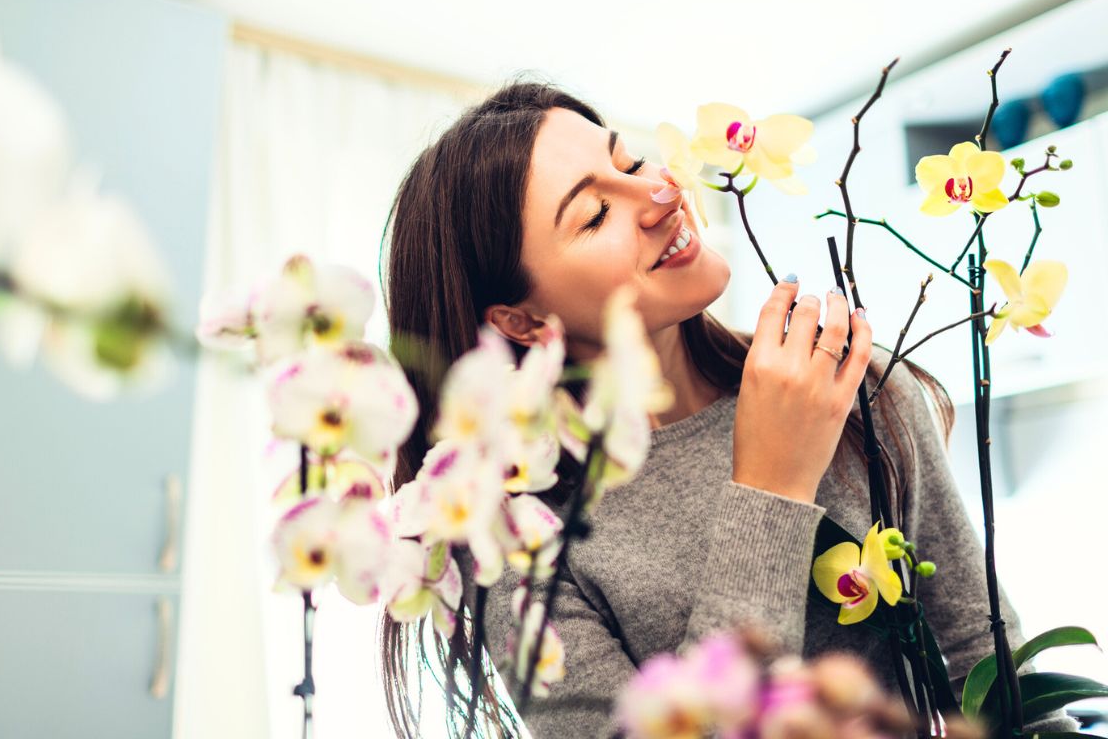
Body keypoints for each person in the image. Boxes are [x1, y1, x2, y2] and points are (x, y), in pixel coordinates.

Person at [378, 79, 1074, 738]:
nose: (658, 192)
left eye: (633, 160)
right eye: (594, 213)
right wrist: (772, 485)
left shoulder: (844, 384)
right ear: (522, 321)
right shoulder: (518, 547)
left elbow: (995, 670)